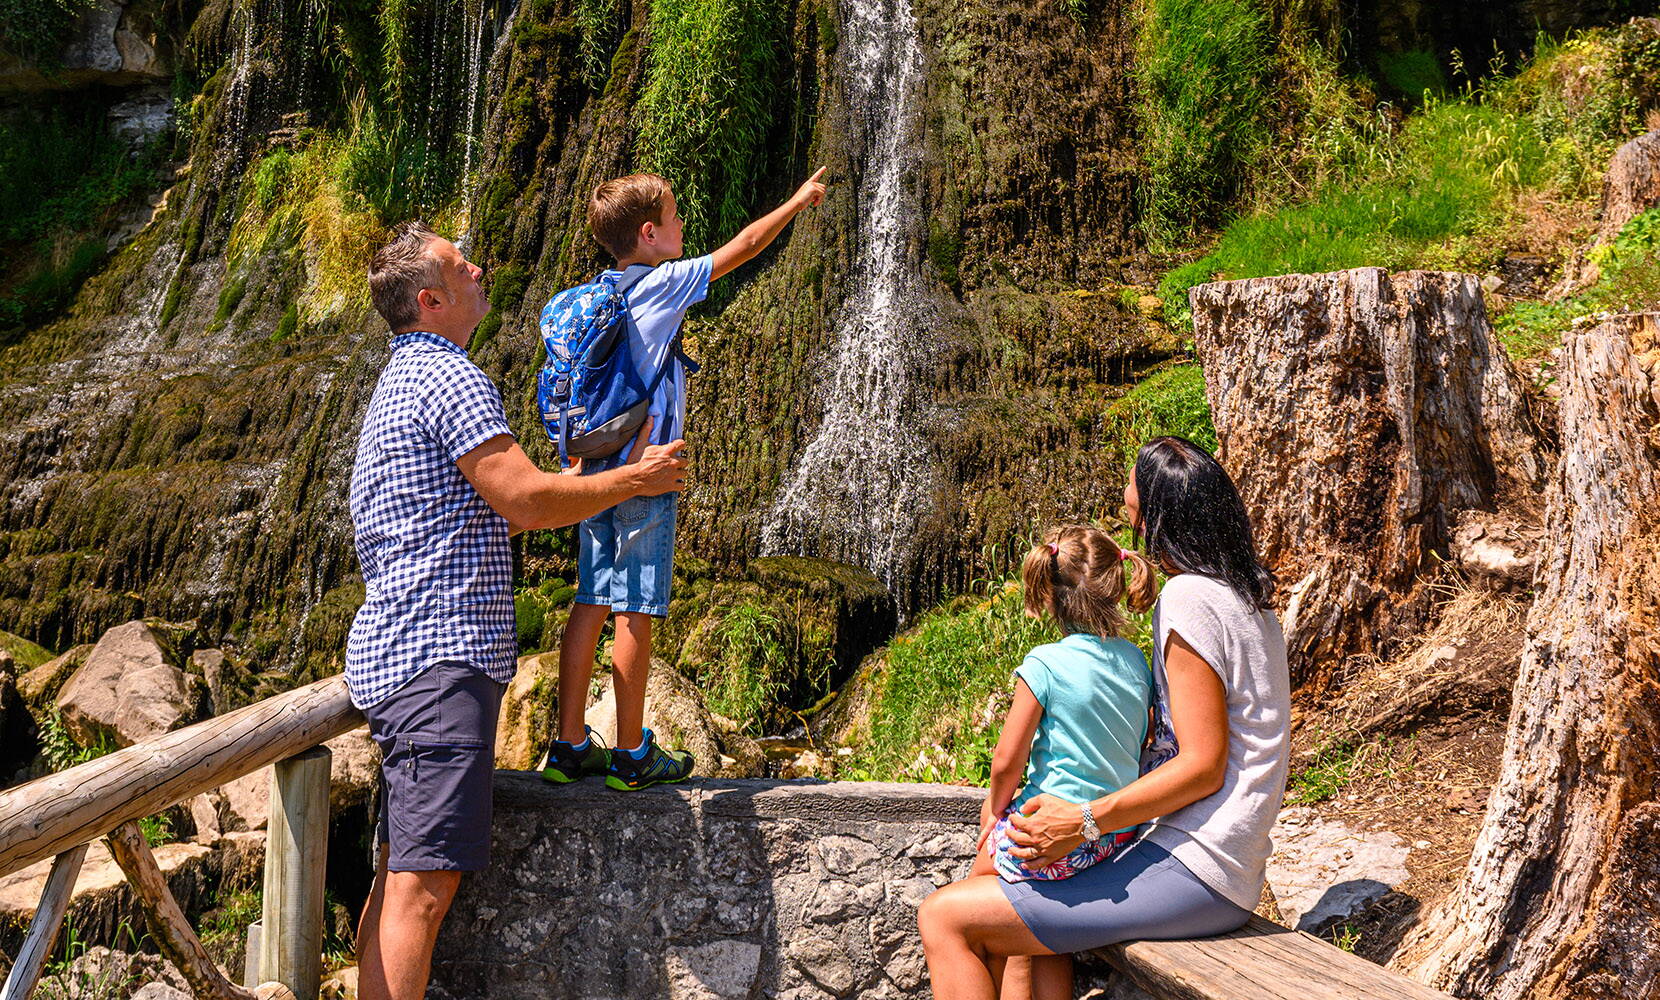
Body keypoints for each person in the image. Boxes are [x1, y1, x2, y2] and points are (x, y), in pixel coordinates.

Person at [346, 221, 688, 1000]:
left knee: (402, 878)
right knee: (424, 890)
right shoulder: (448, 377)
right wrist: (632, 480)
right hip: (438, 662)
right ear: (430, 299)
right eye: (460, 264)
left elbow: (491, 505)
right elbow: (524, 501)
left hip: (402, 657)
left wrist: (578, 476)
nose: (480, 264)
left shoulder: (403, 378)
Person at [917, 436, 1290, 1000]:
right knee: (1015, 937)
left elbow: (1204, 766)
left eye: (1133, 482)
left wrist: (1084, 821)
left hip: (1198, 867)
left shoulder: (1190, 596)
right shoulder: (1245, 598)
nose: (1124, 492)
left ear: (1158, 509)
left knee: (946, 917)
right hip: (1217, 861)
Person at [543, 167, 828, 791]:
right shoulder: (663, 284)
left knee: (590, 602)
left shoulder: (596, 294)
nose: (681, 228)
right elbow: (746, 248)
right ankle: (630, 752)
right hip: (646, 473)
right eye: (673, 219)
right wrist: (797, 200)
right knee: (634, 609)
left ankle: (566, 746)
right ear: (649, 234)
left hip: (594, 468)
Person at [976, 524, 1156, 897]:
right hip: (1111, 835)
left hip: (1049, 830)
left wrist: (994, 813)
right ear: (1116, 589)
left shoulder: (1045, 663)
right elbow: (1141, 741)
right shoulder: (1136, 660)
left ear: (1049, 593)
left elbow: (1007, 761)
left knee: (968, 907)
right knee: (1037, 938)